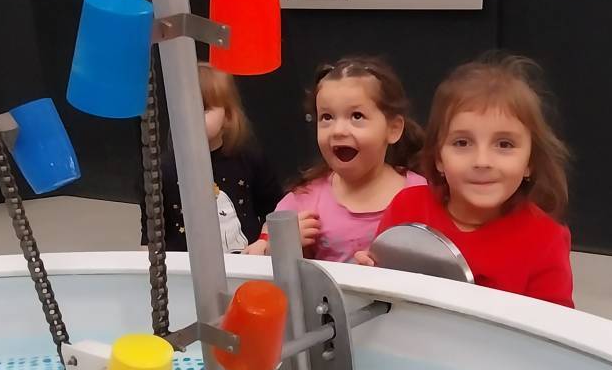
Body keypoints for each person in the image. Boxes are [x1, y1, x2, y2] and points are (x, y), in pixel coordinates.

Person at [361, 55, 574, 308]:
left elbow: (552, 325)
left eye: (504, 144)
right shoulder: (407, 208)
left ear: (530, 162)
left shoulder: (546, 240)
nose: (482, 161)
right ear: (439, 158)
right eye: (462, 143)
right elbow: (382, 298)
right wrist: (367, 277)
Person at [245, 57, 424, 262]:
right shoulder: (303, 201)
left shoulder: (423, 195)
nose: (338, 130)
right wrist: (279, 246)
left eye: (357, 116)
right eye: (327, 117)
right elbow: (258, 257)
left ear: (393, 129)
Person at [140, 64, 280, 254]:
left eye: (203, 108)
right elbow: (150, 236)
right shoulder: (161, 171)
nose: (191, 116)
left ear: (228, 115)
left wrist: (264, 242)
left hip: (246, 264)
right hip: (184, 269)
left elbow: (276, 211)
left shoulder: (250, 159)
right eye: (183, 108)